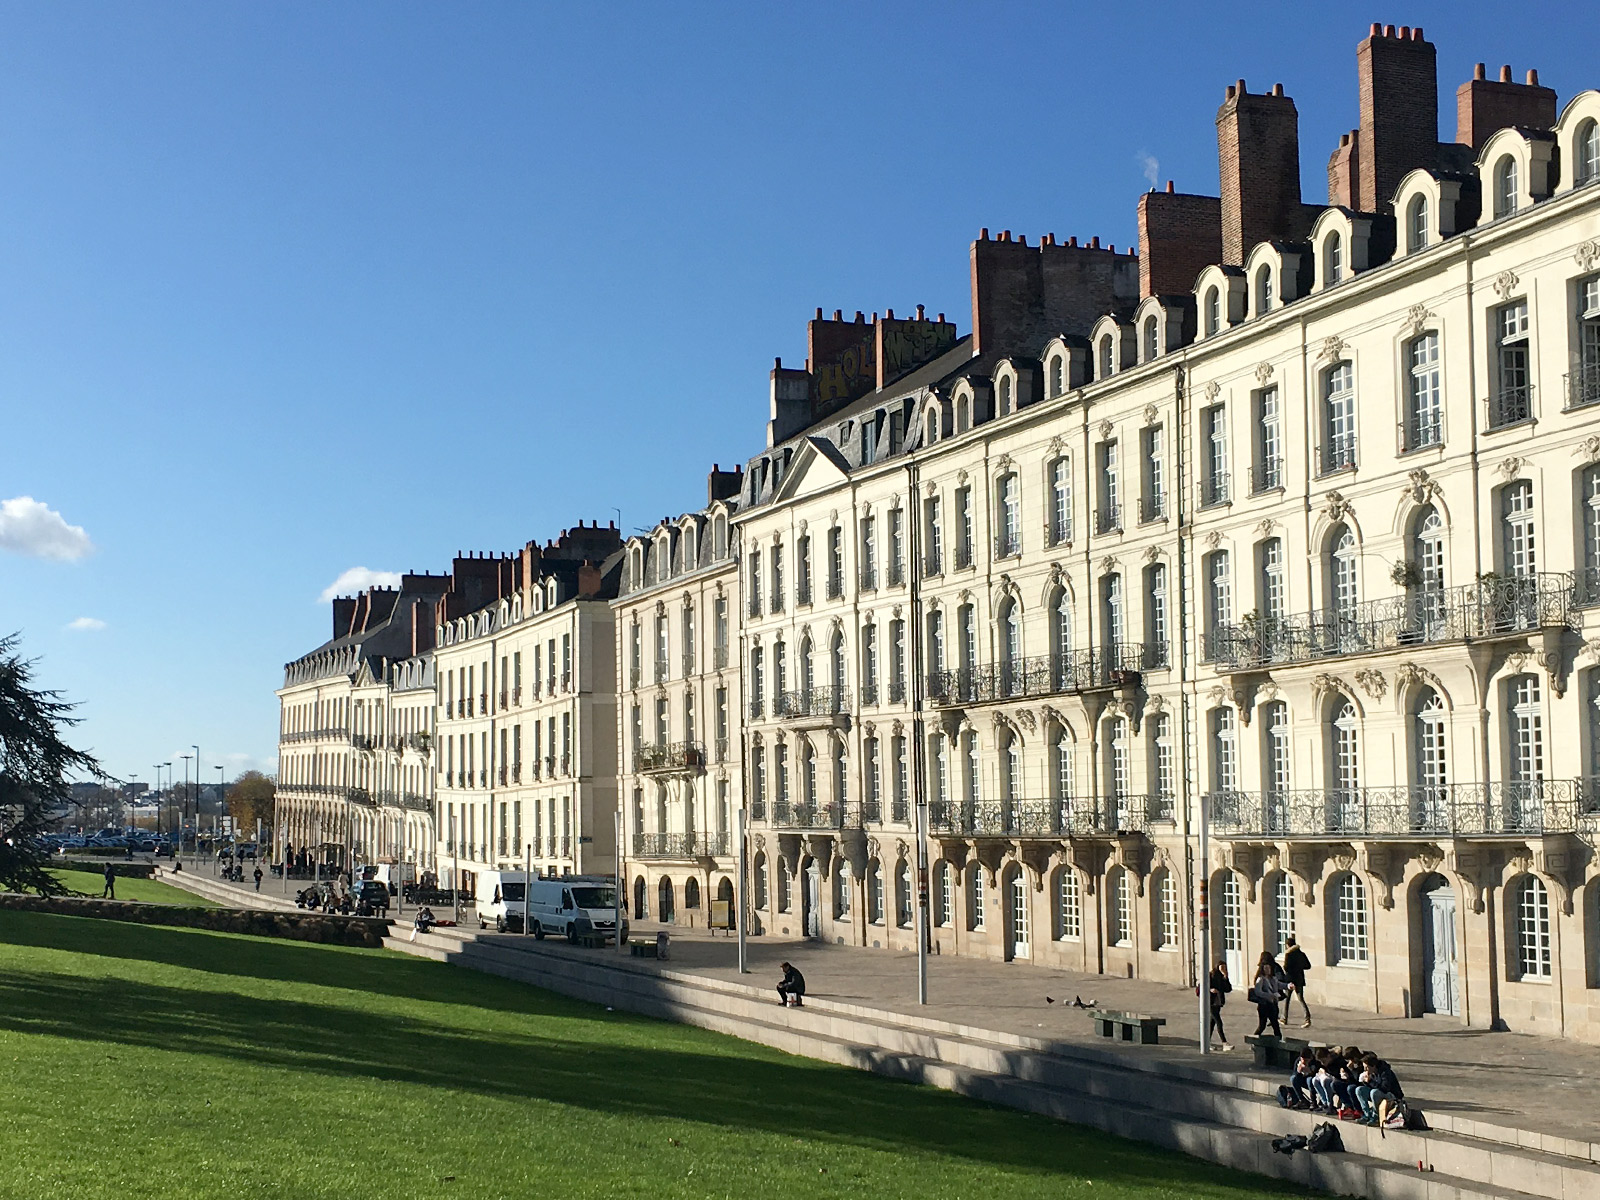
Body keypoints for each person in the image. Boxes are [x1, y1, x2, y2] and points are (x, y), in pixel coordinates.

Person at [1251, 951, 1287, 1037]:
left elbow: (1279, 984)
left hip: (1272, 1004)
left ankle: (1278, 1043)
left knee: (1275, 1025)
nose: (1268, 970)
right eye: (1266, 968)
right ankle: (1254, 1040)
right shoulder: (1261, 979)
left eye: (1269, 968)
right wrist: (1270, 995)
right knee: (1262, 1026)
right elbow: (1258, 992)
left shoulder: (1272, 977)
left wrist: (1287, 986)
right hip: (1264, 1005)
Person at [1282, 936, 1313, 1027]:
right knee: (1301, 999)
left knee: (1287, 999)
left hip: (1291, 980)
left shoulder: (1288, 955)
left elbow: (1286, 967)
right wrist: (1299, 967)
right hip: (1299, 979)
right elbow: (1308, 966)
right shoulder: (1301, 954)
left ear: (1288, 945)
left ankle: (1284, 1018)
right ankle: (1307, 1019)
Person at [1206, 960, 1233, 1051]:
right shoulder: (1211, 975)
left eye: (1225, 968)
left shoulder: (1222, 977)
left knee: (1212, 1023)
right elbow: (1203, 986)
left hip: (1218, 1002)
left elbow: (1228, 989)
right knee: (1219, 1022)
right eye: (1222, 968)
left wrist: (1226, 976)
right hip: (1210, 1002)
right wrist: (1210, 989)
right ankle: (1224, 1043)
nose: (1223, 970)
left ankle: (1206, 1042)